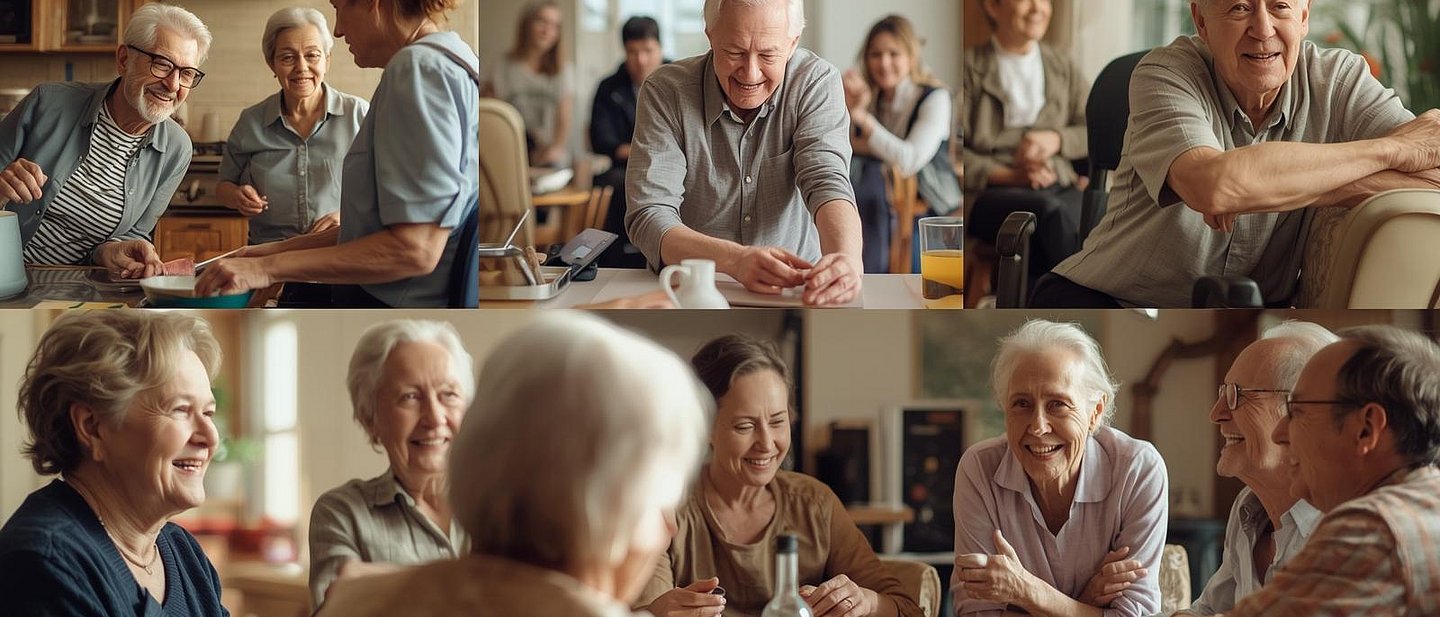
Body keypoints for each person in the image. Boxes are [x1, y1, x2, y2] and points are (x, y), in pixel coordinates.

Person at [1036, 0, 1440, 308]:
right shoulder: (1163, 72)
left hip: (1250, 314)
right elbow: (1213, 186)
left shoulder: (1340, 79)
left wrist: (1272, 188)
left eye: (1280, 5)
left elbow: (1433, 166)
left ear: (1303, 16)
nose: (1262, 29)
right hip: (1105, 300)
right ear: (1201, 21)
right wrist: (1393, 150)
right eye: (1238, 7)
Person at [316, 313, 710, 617]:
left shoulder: (359, 600)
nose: (668, 527)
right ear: (609, 505)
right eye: (659, 502)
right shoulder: (344, 512)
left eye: (449, 395)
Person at [196, 0, 479, 308]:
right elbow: (374, 230)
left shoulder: (416, 69)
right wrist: (268, 252)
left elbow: (414, 248)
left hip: (395, 305)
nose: (338, 29)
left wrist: (266, 269)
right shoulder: (456, 59)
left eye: (339, 7)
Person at [638, 334, 923, 617]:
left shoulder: (815, 504)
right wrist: (656, 612)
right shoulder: (666, 508)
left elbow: (908, 609)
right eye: (744, 426)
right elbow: (640, 608)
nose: (766, 443)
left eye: (777, 422)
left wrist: (868, 602)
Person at [626, 0, 864, 307]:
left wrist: (846, 260)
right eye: (734, 52)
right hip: (689, 294)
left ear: (792, 44)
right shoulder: (665, 91)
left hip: (797, 292)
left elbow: (826, 180)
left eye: (767, 54)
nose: (750, 73)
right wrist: (734, 260)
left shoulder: (815, 83)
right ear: (710, 36)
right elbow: (649, 214)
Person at [1198, 325, 1440, 616]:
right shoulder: (1423, 503)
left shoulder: (1372, 528)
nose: (1281, 433)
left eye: (1298, 411)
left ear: (1365, 429)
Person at [0, 311, 228, 616]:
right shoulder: (43, 561)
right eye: (180, 409)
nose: (209, 437)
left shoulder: (182, 551)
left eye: (208, 413)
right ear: (93, 427)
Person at [953, 320, 1167, 616]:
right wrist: (1088, 600)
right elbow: (977, 612)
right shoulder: (979, 469)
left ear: (1095, 412)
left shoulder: (1138, 469)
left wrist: (1024, 591)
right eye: (1022, 404)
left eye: (1057, 404)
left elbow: (1134, 614)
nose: (1038, 427)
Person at [0, 4, 210, 278]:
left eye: (186, 73)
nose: (173, 84)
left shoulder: (177, 149)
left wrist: (108, 251)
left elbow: (134, 233)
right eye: (162, 64)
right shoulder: (47, 103)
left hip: (80, 290)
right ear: (124, 60)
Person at [1160, 321, 1334, 616]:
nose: (1215, 413)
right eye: (1222, 391)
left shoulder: (1348, 530)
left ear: (1302, 411)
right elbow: (1208, 610)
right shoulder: (1248, 509)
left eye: (1237, 395)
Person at [308, 319, 476, 609]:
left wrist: (382, 585)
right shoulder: (343, 512)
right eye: (410, 397)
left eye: (448, 394)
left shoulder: (506, 509)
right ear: (369, 417)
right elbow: (340, 608)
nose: (435, 418)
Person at [959, 0, 1086, 288]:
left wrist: (1057, 139)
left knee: (1093, 214)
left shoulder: (1062, 65)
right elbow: (954, 154)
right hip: (990, 193)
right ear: (993, 6)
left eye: (1044, 0)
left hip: (1056, 182)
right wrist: (1011, 175)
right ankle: (1072, 296)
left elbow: (1094, 127)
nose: (1038, 8)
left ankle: (1035, 299)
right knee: (1048, 213)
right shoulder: (969, 67)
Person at [218, 7, 370, 245]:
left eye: (312, 55)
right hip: (270, 255)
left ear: (327, 60)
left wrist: (346, 217)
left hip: (338, 250)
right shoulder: (251, 121)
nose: (301, 67)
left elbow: (383, 189)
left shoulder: (359, 114)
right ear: (272, 64)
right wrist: (237, 197)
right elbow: (223, 186)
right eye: (288, 57)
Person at [842, 14, 958, 273]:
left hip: (930, 203)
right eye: (875, 54)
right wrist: (850, 107)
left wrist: (862, 117)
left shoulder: (935, 98)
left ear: (911, 56)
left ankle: (868, 272)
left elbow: (908, 161)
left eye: (894, 54)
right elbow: (851, 147)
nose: (884, 63)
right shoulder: (873, 97)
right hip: (886, 197)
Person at [589, 15, 666, 268]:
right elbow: (601, 141)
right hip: (625, 169)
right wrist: (647, 153)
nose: (641, 59)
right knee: (613, 184)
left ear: (660, 49)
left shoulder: (680, 81)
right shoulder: (608, 87)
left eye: (647, 50)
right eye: (633, 52)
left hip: (672, 166)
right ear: (624, 51)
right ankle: (613, 263)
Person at [481, 0, 573, 168]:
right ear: (527, 25)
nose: (547, 31)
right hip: (510, 150)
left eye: (555, 26)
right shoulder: (501, 67)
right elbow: (490, 117)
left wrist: (556, 148)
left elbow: (563, 118)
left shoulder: (563, 71)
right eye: (542, 22)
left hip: (547, 155)